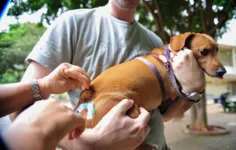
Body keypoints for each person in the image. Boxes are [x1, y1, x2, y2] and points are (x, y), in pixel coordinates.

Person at [11, 0, 205, 149]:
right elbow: (21, 108)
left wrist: (194, 90)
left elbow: (168, 114)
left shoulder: (154, 41)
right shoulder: (72, 23)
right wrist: (84, 145)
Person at [0, 63, 150, 150]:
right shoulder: (69, 23)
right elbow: (18, 114)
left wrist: (43, 86)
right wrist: (91, 144)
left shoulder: (152, 40)